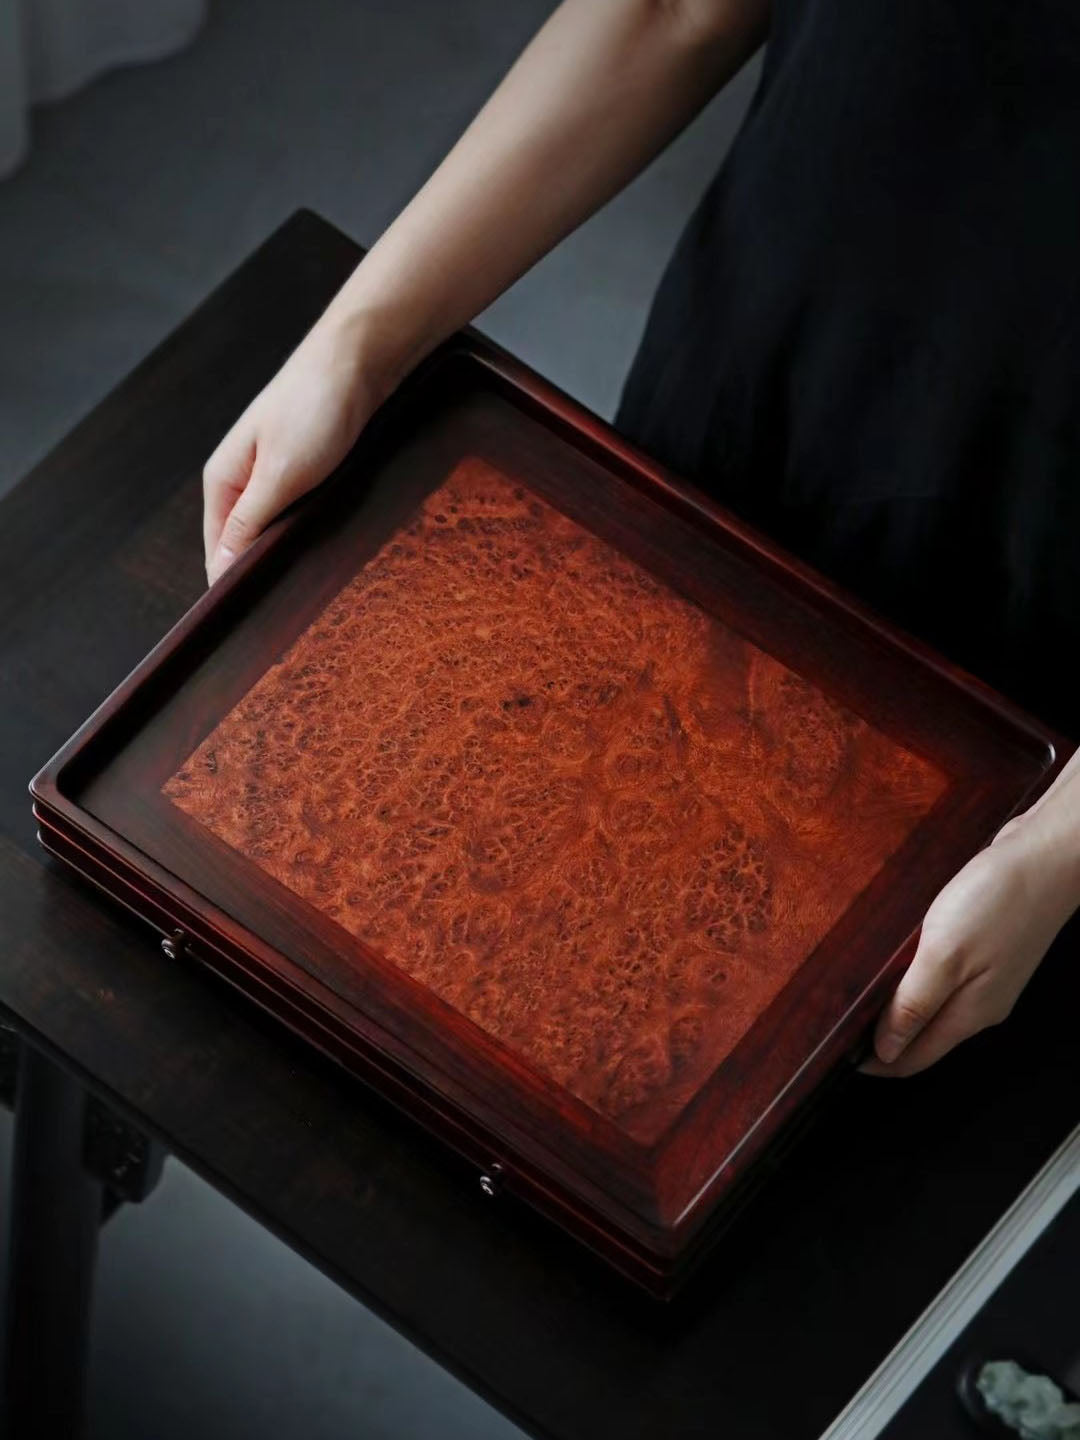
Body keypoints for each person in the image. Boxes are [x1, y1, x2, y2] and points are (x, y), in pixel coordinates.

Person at [201, 0, 1080, 1078]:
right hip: (741, 416)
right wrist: (359, 345)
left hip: (1042, 665)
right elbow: (672, 12)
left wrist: (1057, 855)